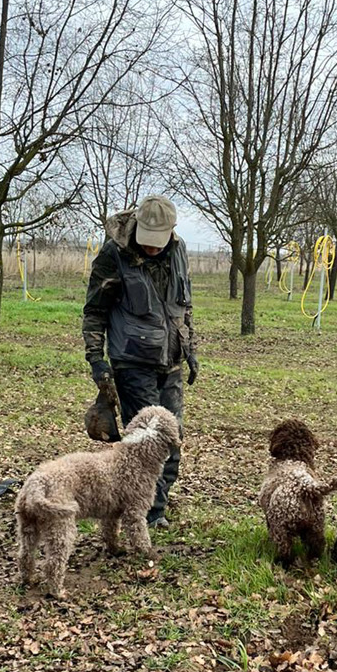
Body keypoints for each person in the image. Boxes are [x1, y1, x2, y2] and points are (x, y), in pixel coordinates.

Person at [83, 195, 198, 527]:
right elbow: (95, 312)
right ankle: (143, 512)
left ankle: (155, 506)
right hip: (132, 362)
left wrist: (191, 349)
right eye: (147, 241)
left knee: (173, 439)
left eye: (157, 242)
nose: (151, 248)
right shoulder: (113, 255)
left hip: (170, 361)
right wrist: (97, 362)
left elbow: (184, 306)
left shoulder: (179, 251)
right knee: (145, 444)